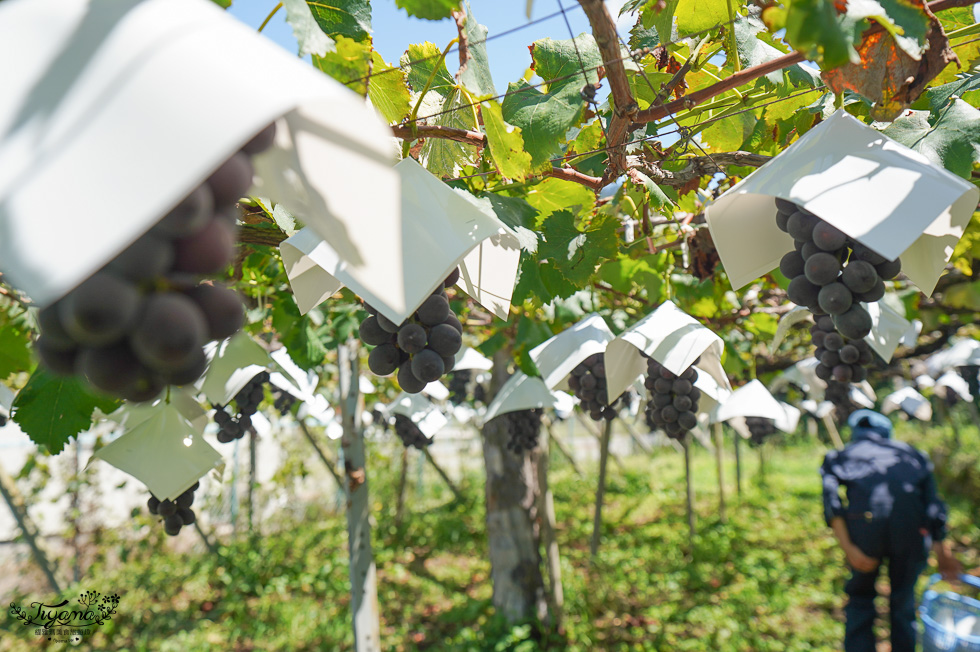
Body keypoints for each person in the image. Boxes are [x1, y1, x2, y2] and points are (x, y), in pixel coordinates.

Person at [820, 408, 961, 652]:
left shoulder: (840, 456)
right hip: (911, 534)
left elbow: (832, 503)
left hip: (864, 532)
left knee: (861, 599)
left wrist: (849, 548)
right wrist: (943, 552)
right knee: (903, 601)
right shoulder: (912, 455)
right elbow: (932, 505)